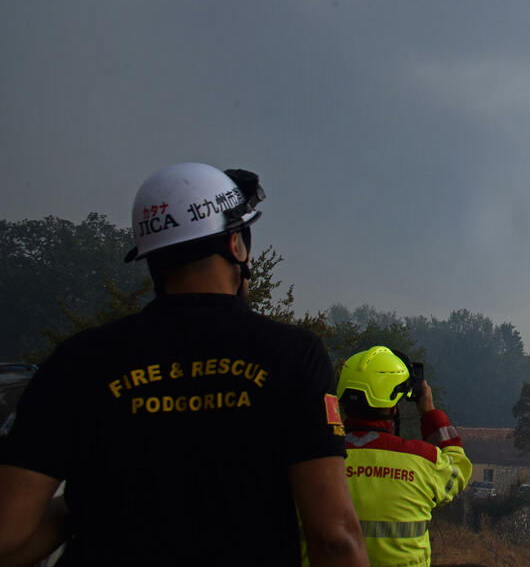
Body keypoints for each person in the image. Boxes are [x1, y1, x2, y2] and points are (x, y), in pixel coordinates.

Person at [0, 162, 368, 567]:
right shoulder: (292, 355)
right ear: (237, 246)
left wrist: (83, 503)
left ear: (152, 258)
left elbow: (10, 539)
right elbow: (334, 537)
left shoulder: (77, 361)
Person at [337, 346, 471, 567]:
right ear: (394, 407)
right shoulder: (423, 460)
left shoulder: (314, 463)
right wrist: (429, 412)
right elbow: (459, 469)